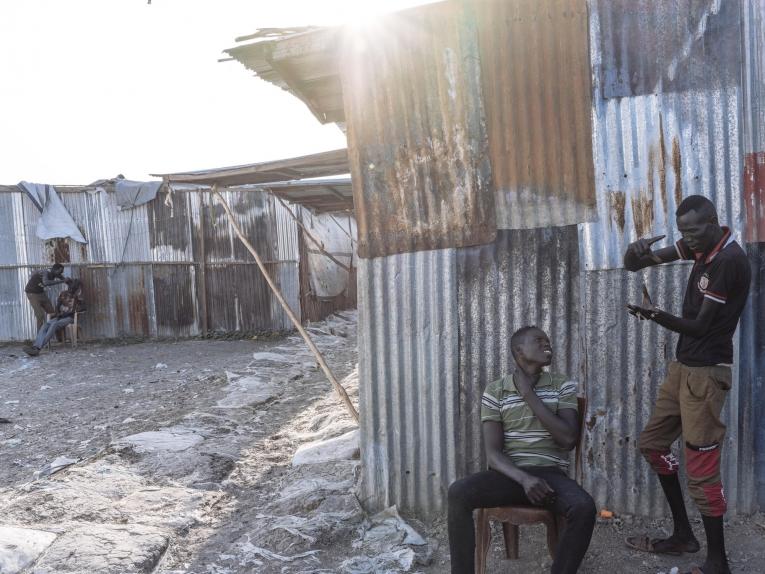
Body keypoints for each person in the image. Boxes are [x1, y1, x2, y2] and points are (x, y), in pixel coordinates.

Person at [623, 195, 751, 574]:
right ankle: (683, 534)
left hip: (707, 375)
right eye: (683, 233)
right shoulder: (700, 247)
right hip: (684, 368)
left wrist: (655, 315)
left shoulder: (728, 260)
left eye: (694, 231)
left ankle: (717, 563)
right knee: (653, 444)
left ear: (713, 222)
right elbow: (640, 264)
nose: (688, 240)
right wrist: (634, 255)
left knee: (701, 471)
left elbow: (700, 327)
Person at [447, 326, 595, 574]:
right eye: (539, 341)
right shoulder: (495, 391)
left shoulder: (562, 386)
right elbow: (493, 455)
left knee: (584, 507)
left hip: (550, 477)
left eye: (548, 340)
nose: (547, 344)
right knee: (458, 493)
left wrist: (528, 394)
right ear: (519, 351)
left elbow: (568, 439)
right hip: (511, 475)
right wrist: (525, 479)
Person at [24, 278, 85, 356]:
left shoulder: (79, 297)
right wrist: (57, 313)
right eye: (70, 287)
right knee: (45, 325)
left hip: (70, 318)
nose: (71, 289)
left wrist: (77, 305)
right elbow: (57, 306)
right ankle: (35, 346)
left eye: (73, 288)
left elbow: (83, 308)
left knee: (54, 325)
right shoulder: (63, 294)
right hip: (60, 317)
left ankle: (38, 348)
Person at [24, 263, 67, 331]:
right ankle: (40, 338)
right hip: (32, 293)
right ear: (55, 269)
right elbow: (46, 283)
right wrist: (61, 281)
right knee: (40, 315)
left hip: (41, 293)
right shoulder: (45, 272)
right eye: (60, 271)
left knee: (52, 313)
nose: (61, 273)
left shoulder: (55, 273)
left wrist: (69, 281)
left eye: (62, 271)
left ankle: (57, 336)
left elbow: (64, 279)